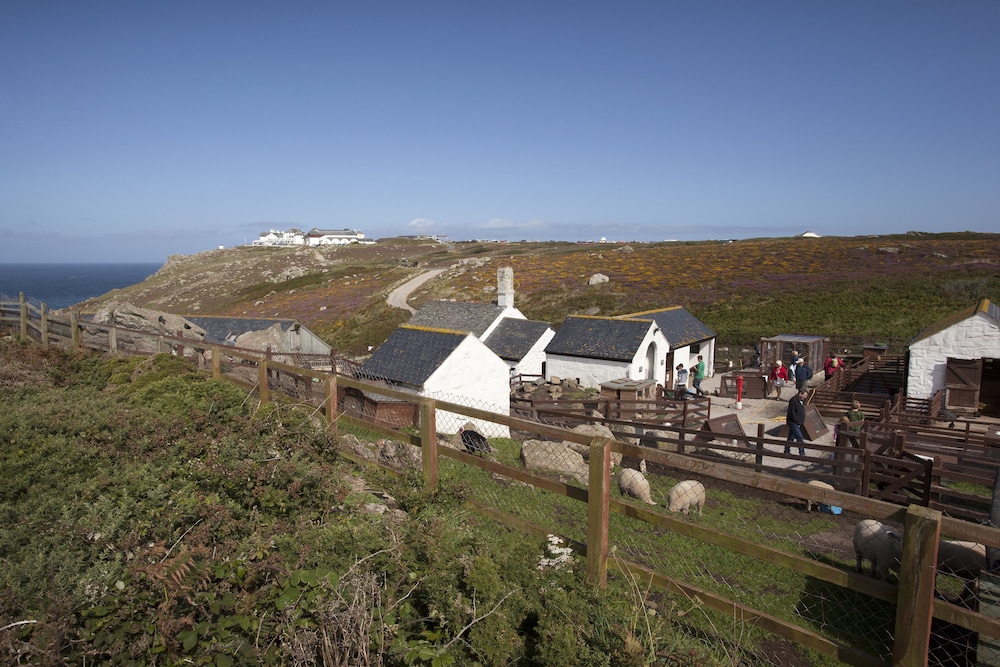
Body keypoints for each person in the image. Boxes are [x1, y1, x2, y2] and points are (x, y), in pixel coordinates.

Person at [784, 388, 809, 456]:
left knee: (791, 438)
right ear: (800, 394)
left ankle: (786, 450)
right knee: (799, 437)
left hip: (798, 422)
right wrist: (796, 420)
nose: (805, 398)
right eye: (804, 396)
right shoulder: (793, 400)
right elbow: (792, 412)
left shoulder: (801, 401)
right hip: (793, 422)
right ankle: (802, 453)